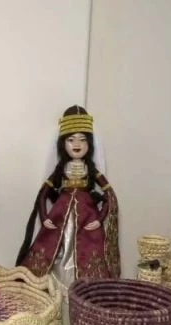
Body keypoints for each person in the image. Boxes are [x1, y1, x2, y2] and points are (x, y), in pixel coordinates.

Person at [15, 105, 120, 288]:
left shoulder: (91, 170)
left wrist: (100, 218)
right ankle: (55, 283)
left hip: (87, 216)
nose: (77, 145)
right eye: (71, 140)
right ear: (63, 144)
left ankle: (83, 286)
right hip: (60, 214)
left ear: (89, 144)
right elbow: (43, 194)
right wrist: (44, 216)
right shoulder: (61, 170)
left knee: (88, 248)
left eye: (82, 140)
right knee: (55, 246)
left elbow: (109, 195)